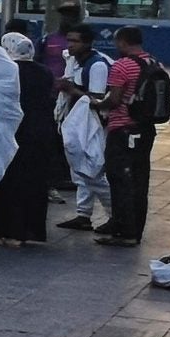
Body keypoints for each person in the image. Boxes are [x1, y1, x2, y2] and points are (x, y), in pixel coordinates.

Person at [0, 31, 61, 245]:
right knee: (35, 183)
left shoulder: (5, 71)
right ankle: (33, 231)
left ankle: (9, 232)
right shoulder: (44, 72)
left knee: (8, 184)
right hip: (40, 134)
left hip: (11, 133)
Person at [94, 25, 163, 247]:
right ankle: (135, 230)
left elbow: (114, 100)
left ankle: (124, 231)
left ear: (123, 42)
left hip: (122, 129)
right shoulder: (155, 63)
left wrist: (96, 104)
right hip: (146, 129)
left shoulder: (122, 66)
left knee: (120, 180)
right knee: (140, 179)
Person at [56, 23, 113, 232]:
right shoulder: (76, 62)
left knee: (92, 170)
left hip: (95, 124)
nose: (70, 45)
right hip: (79, 121)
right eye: (69, 40)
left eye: (75, 41)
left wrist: (70, 89)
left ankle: (115, 214)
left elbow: (96, 100)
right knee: (80, 169)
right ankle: (83, 214)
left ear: (88, 43)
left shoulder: (97, 65)